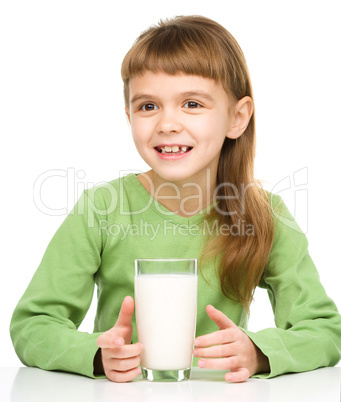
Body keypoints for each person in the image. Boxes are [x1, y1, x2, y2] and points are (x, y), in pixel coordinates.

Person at [10, 15, 341, 384]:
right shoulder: (100, 210)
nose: (166, 123)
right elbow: (32, 325)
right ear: (129, 115)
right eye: (148, 106)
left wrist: (257, 352)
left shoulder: (264, 214)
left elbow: (324, 330)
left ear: (238, 117)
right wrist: (96, 355)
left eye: (192, 104)